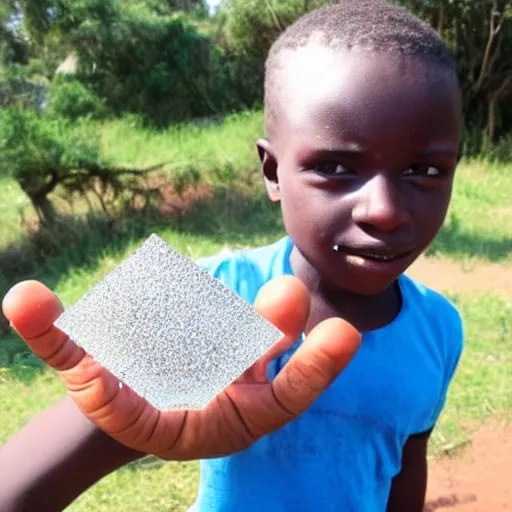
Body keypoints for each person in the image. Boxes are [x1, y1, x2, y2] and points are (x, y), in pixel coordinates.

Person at [0, 1, 464, 511]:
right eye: (334, 166)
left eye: (425, 171)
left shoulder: (439, 326)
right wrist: (146, 434)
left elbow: (404, 464)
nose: (384, 211)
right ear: (271, 171)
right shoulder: (204, 295)